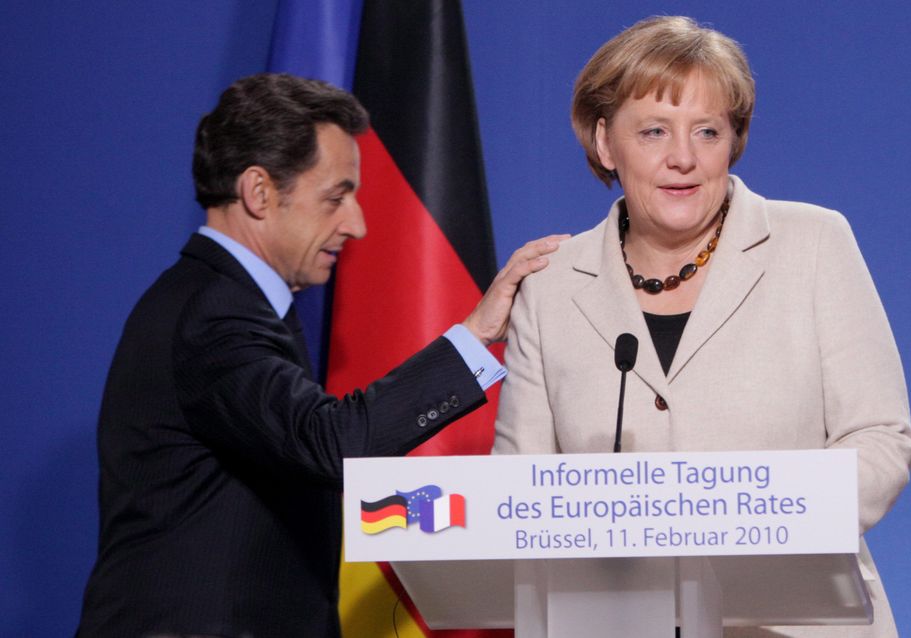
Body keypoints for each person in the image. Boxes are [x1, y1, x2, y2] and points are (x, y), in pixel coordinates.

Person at [76, 73, 564, 637]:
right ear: (259, 192)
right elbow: (331, 444)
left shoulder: (226, 302)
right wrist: (475, 336)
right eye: (335, 197)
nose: (355, 224)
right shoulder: (214, 313)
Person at [493, 16, 911, 637]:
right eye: (655, 131)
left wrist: (759, 518)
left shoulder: (813, 243)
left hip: (795, 620)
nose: (683, 158)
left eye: (707, 131)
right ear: (606, 143)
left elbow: (882, 438)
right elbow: (520, 490)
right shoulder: (552, 286)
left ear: (733, 140)